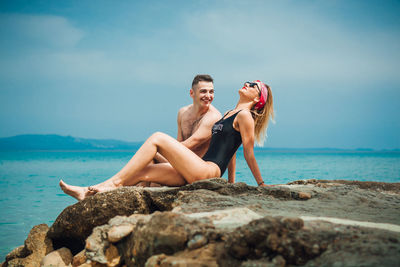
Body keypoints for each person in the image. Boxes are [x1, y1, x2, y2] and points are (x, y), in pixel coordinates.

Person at [60, 80, 274, 201]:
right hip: (196, 171)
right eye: (248, 81)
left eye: (253, 85)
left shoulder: (245, 116)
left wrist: (261, 185)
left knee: (157, 138)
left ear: (257, 99)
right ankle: (88, 192)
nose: (247, 83)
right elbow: (231, 152)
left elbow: (248, 153)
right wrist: (231, 184)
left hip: (207, 171)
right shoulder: (229, 113)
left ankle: (111, 184)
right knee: (143, 172)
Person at [138, 74, 224, 186]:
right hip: (178, 164)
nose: (208, 96)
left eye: (211, 92)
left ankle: (133, 187)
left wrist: (157, 150)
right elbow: (178, 143)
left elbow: (190, 144)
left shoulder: (213, 117)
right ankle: (144, 192)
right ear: (192, 93)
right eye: (203, 91)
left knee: (149, 155)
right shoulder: (182, 113)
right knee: (148, 164)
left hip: (194, 170)